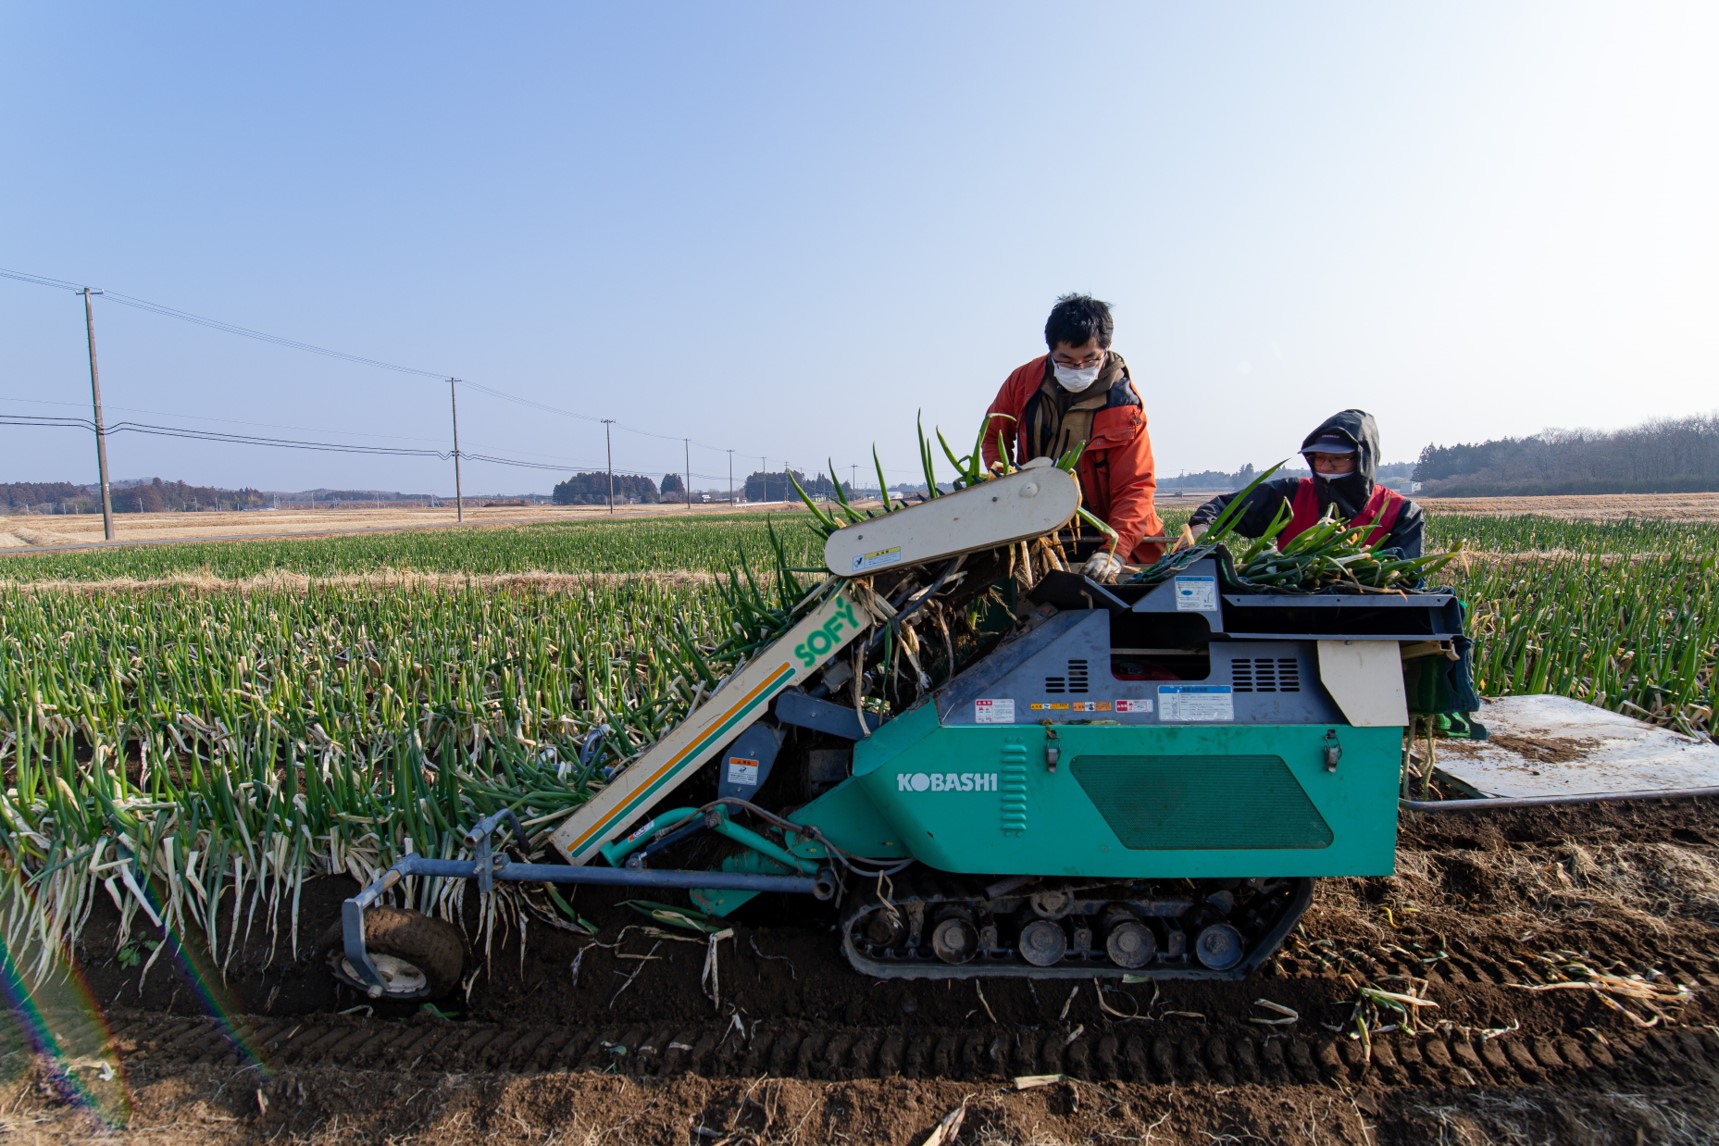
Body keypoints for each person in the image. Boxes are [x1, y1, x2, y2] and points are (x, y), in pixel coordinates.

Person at [980, 294, 1166, 581]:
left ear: (1107, 348)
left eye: (1089, 360)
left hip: (1105, 530)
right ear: (1051, 350)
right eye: (1066, 360)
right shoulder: (1023, 381)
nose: (1078, 369)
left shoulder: (1124, 407)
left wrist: (1113, 552)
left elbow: (1135, 488)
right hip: (1042, 528)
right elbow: (993, 436)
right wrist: (1006, 478)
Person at [1186, 409, 1424, 557]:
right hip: (1294, 607)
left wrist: (1358, 562)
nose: (1325, 467)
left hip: (1369, 615)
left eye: (1337, 459)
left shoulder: (1401, 513)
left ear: (1362, 461)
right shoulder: (1292, 494)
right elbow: (1222, 508)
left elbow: (1407, 576)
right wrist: (1201, 530)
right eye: (1319, 458)